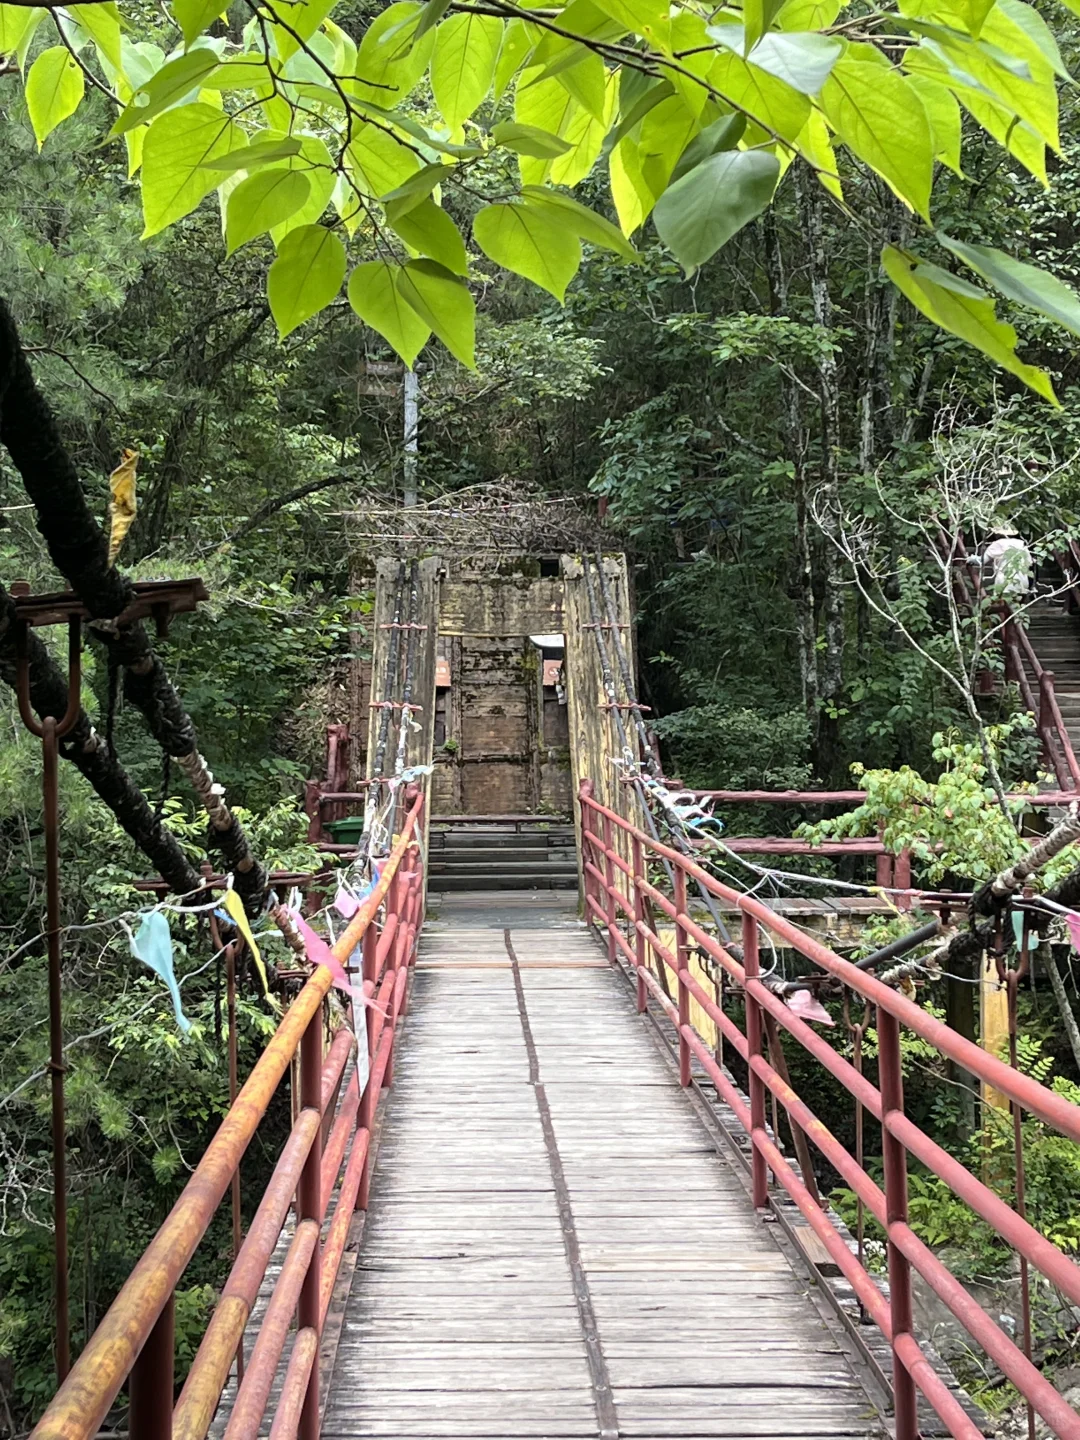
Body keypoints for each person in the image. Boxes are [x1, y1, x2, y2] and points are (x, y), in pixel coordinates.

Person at [979, 523, 1032, 601]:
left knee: (1004, 609)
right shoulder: (1021, 545)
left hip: (1005, 582)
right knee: (1016, 608)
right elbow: (1029, 563)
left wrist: (971, 559)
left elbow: (982, 560)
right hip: (1022, 582)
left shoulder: (998, 544)